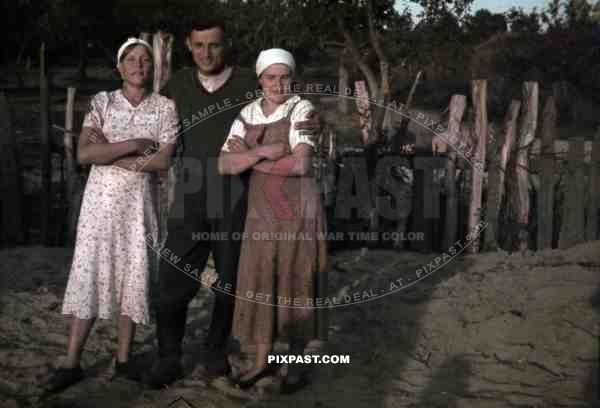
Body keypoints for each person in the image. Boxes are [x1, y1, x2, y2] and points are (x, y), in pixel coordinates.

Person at [144, 18, 320, 389]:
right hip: (190, 195)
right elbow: (155, 127)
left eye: (214, 45)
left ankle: (214, 352)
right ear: (188, 47)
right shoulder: (176, 85)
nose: (206, 53)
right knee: (172, 279)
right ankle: (169, 356)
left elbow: (291, 110)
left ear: (226, 47)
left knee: (231, 281)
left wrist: (307, 130)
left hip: (239, 199)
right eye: (198, 46)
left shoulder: (247, 85)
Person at [46, 37, 179, 392]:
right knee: (90, 276)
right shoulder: (102, 103)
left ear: (153, 69)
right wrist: (135, 146)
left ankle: (123, 359)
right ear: (119, 67)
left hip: (140, 208)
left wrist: (109, 153)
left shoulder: (164, 107)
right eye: (131, 60)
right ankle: (72, 360)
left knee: (132, 277)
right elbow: (84, 154)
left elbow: (164, 160)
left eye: (145, 61)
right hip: (99, 210)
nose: (138, 65)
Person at [218, 48, 327, 392]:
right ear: (260, 79)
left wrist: (248, 162)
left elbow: (301, 165)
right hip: (262, 211)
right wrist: (264, 153)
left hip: (298, 209)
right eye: (270, 77)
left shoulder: (302, 109)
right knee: (263, 280)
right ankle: (263, 361)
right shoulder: (246, 113)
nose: (277, 84)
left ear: (292, 78)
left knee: (295, 280)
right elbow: (223, 164)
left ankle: (295, 366)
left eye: (284, 77)